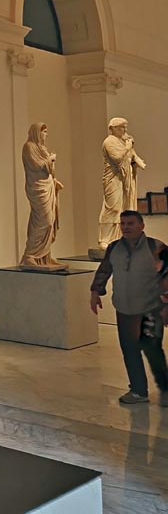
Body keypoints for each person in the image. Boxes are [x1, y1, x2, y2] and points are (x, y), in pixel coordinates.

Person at [90, 210, 168, 405]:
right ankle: (138, 391)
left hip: (151, 309)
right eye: (123, 223)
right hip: (124, 309)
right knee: (130, 350)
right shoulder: (114, 248)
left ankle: (166, 390)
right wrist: (95, 292)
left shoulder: (156, 247)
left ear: (141, 226)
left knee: (153, 350)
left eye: (130, 223)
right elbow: (105, 270)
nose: (125, 227)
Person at [19, 123, 65, 270]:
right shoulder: (29, 147)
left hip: (48, 186)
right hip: (37, 188)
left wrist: (55, 181)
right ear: (36, 133)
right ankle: (30, 256)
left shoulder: (43, 149)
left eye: (46, 131)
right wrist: (50, 159)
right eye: (44, 132)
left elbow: (49, 171)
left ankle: (44, 256)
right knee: (42, 220)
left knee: (51, 220)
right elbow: (36, 166)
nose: (46, 134)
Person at [98, 118, 146, 249]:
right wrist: (127, 147)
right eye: (120, 127)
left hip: (124, 179)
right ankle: (105, 239)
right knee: (112, 207)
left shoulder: (123, 141)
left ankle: (119, 238)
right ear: (112, 128)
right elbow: (118, 158)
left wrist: (138, 161)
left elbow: (132, 156)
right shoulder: (109, 142)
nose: (124, 130)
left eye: (125, 127)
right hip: (113, 178)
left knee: (123, 208)